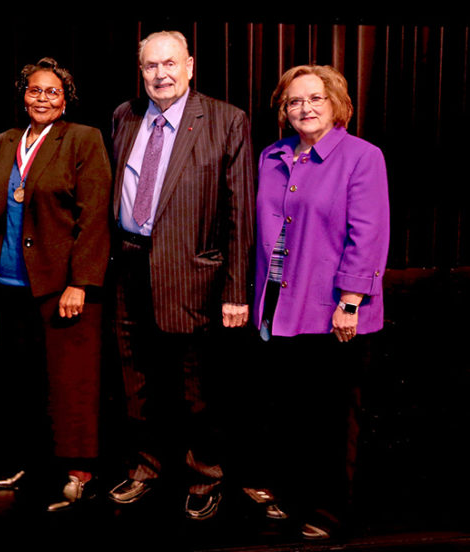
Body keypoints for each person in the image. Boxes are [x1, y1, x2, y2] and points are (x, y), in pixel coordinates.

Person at [108, 30, 254, 520]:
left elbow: (240, 214)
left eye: (169, 63)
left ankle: (204, 475)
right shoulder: (124, 116)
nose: (160, 74)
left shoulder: (225, 120)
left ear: (190, 65)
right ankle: (145, 467)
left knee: (196, 387)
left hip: (193, 276)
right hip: (129, 266)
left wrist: (236, 291)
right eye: (150, 66)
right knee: (137, 379)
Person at [253, 65, 389, 540]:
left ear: (336, 104)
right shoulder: (273, 155)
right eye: (294, 101)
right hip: (280, 307)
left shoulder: (361, 156)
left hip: (333, 309)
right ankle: (294, 497)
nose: (304, 109)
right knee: (294, 414)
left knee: (333, 420)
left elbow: (368, 234)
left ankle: (331, 512)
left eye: (315, 99)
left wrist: (350, 302)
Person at [0, 58, 111, 511]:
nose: (42, 98)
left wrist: (80, 282)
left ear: (66, 98)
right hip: (10, 282)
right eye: (35, 90)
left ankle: (79, 469)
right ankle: (31, 460)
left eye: (52, 92)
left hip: (62, 286)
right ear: (23, 95)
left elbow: (94, 215)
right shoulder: (4, 141)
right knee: (22, 381)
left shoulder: (83, 138)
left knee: (71, 381)